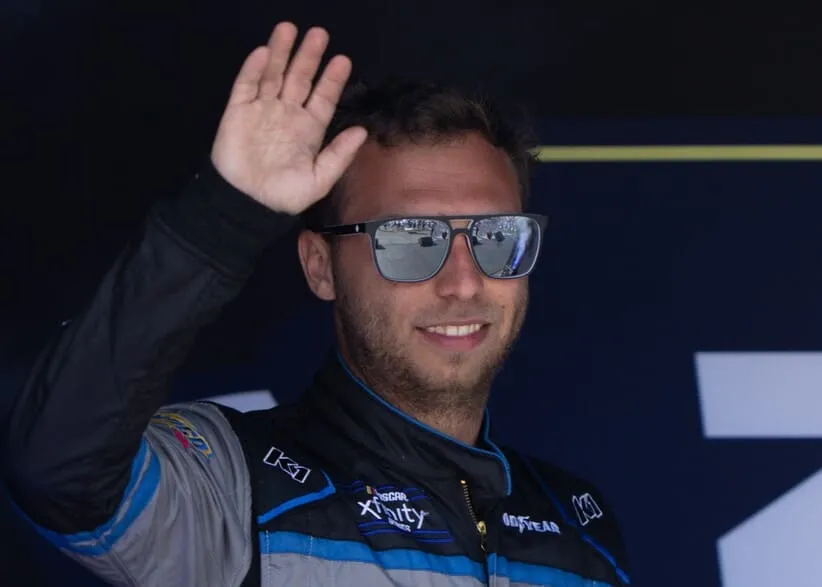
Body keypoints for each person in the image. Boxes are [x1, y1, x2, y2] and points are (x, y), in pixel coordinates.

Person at [2, 21, 631, 587]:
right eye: (410, 241)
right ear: (319, 266)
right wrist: (222, 218)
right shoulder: (235, 483)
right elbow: (58, 467)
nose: (463, 281)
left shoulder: (578, 527)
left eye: (497, 237)